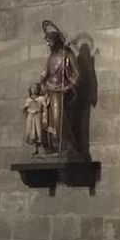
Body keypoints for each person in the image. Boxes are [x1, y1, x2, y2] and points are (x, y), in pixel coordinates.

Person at [39, 20, 82, 156]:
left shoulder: (67, 56)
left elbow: (76, 75)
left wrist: (68, 87)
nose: (48, 45)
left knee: (59, 120)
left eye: (49, 42)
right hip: (49, 91)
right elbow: (45, 74)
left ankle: (67, 147)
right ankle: (52, 148)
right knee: (47, 121)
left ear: (56, 41)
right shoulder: (51, 57)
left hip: (61, 92)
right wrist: (42, 84)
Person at [22, 83, 45, 154]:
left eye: (36, 88)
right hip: (30, 116)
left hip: (38, 116)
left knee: (39, 130)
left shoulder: (41, 98)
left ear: (38, 90)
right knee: (31, 131)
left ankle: (41, 146)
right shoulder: (28, 99)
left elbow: (45, 107)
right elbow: (25, 107)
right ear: (30, 90)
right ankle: (34, 148)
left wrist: (44, 115)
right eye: (33, 88)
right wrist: (25, 108)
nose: (34, 90)